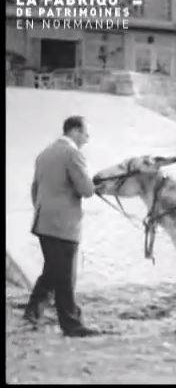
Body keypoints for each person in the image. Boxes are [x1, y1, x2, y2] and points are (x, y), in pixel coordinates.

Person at [24, 116, 99, 337]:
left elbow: (34, 189)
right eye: (86, 133)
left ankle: (33, 310)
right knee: (66, 275)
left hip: (43, 221)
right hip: (64, 225)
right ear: (75, 131)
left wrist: (45, 210)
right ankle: (71, 324)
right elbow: (86, 189)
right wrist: (92, 185)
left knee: (52, 270)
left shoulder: (44, 153)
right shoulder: (73, 154)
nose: (87, 138)